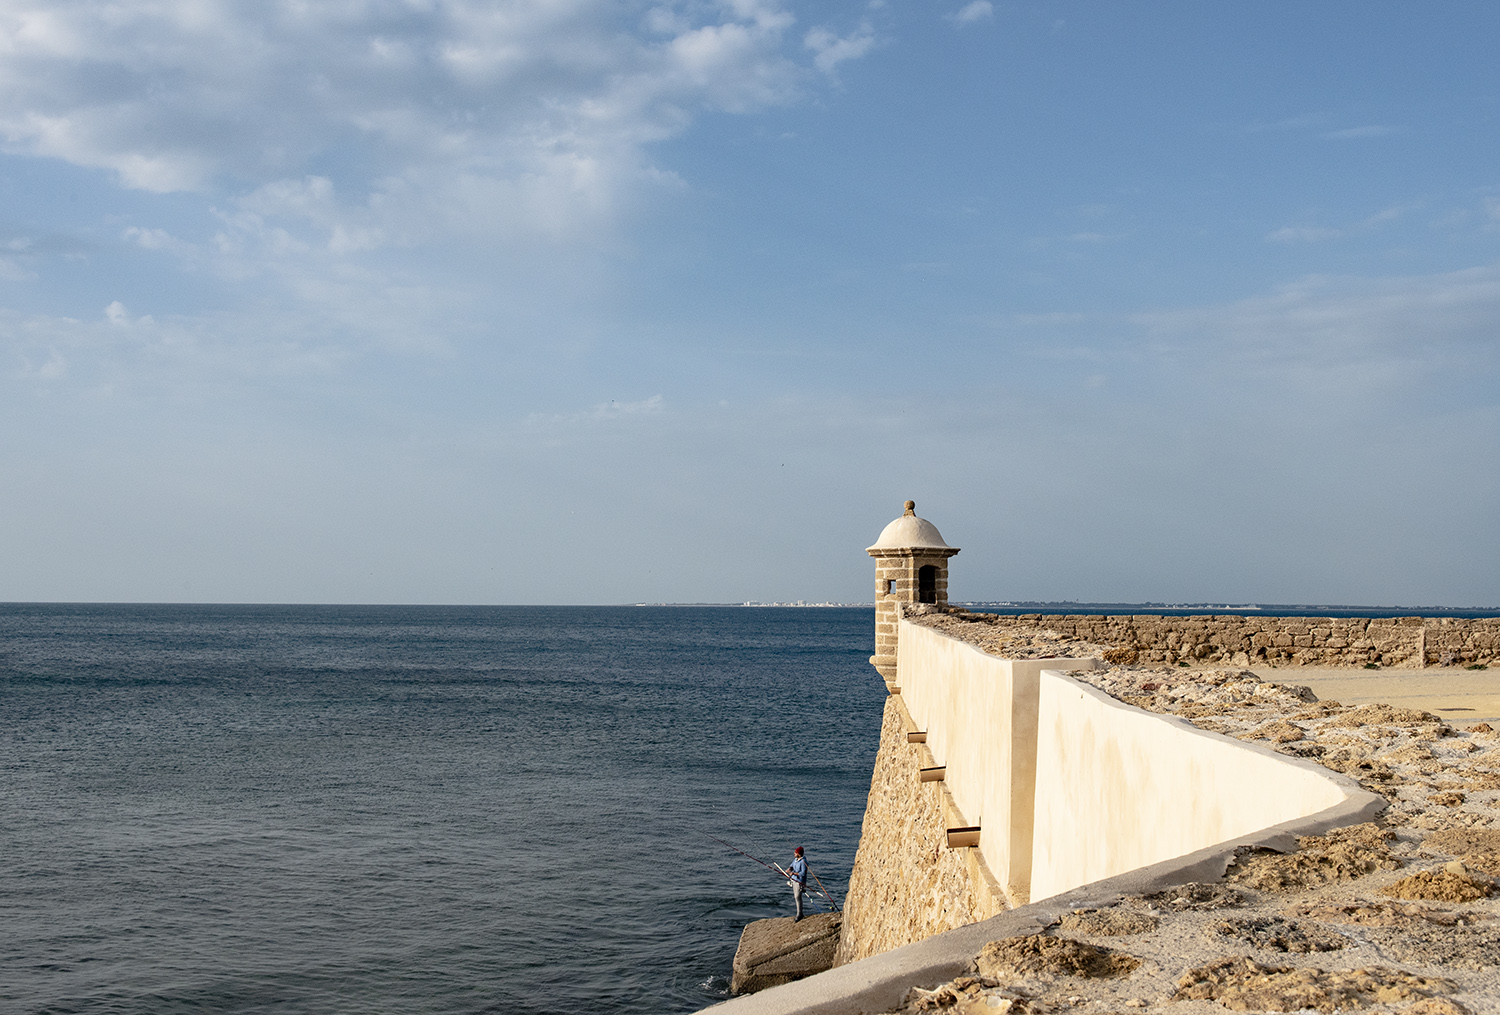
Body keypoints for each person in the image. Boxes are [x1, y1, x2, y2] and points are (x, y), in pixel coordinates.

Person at [787, 846, 808, 922]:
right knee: (796, 897)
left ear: (799, 854)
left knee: (797, 897)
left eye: (795, 853)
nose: (794, 853)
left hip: (800, 882)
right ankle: (799, 913)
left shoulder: (803, 862)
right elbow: (791, 866)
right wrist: (789, 869)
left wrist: (793, 873)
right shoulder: (795, 860)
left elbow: (803, 873)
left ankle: (799, 914)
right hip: (794, 880)